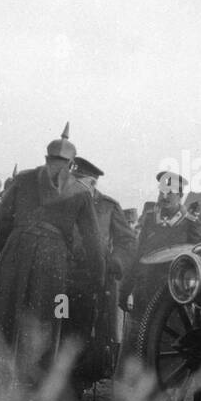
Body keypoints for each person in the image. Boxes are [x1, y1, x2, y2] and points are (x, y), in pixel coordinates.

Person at [0, 124, 105, 386]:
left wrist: (9, 249)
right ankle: (36, 382)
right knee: (48, 318)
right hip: (54, 258)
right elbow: (93, 240)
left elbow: (3, 218)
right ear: (71, 164)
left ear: (47, 158)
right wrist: (97, 275)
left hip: (16, 250)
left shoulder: (23, 179)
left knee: (6, 312)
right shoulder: (81, 192)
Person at [66, 156, 137, 379]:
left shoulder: (108, 207)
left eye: (79, 180)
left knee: (89, 335)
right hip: (64, 285)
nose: (73, 184)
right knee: (62, 329)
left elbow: (128, 241)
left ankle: (79, 391)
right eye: (72, 179)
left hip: (93, 284)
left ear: (92, 183)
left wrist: (115, 262)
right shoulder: (62, 203)